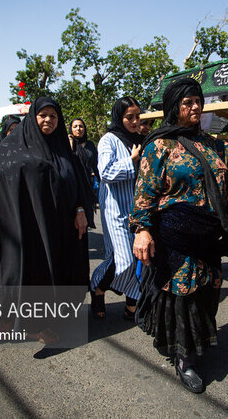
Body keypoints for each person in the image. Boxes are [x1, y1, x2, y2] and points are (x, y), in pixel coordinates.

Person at [131, 77, 228, 394]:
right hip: (175, 236)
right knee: (183, 294)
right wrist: (143, 230)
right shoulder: (159, 146)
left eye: (198, 101)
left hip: (207, 236)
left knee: (208, 289)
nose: (195, 107)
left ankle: (195, 342)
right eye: (188, 103)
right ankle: (184, 360)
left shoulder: (211, 143)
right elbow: (145, 192)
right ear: (175, 108)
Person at [0, 96, 93, 345]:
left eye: (53, 116)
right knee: (23, 272)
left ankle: (46, 319)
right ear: (33, 117)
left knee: (54, 271)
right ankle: (16, 326)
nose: (48, 120)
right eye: (43, 115)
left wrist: (80, 209)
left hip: (60, 226)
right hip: (27, 227)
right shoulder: (14, 147)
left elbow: (78, 183)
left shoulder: (63, 150)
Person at [90, 97, 144, 320]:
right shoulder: (108, 140)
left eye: (137, 117)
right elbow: (106, 173)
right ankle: (97, 287)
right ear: (119, 118)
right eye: (129, 117)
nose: (134, 121)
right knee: (123, 259)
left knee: (140, 258)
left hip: (137, 209)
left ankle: (131, 305)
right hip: (115, 209)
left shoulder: (139, 140)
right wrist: (131, 161)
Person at [68, 117, 99, 200]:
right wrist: (70, 144)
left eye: (81, 126)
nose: (78, 129)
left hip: (88, 185)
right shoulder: (67, 144)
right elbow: (67, 162)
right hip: (74, 184)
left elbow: (96, 164)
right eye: (75, 126)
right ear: (71, 129)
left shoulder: (90, 145)